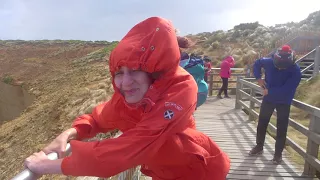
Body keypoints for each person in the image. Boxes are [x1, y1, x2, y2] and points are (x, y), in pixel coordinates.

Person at [24, 17, 230, 180]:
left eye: (134, 71)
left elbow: (132, 147)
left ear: (155, 71)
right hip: (163, 173)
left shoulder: (181, 88)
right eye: (119, 73)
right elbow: (98, 119)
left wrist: (45, 166)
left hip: (201, 172)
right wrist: (69, 133)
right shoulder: (129, 98)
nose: (124, 82)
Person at [249, 45, 301, 165]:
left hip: (284, 100)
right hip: (269, 99)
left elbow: (288, 88)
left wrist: (269, 91)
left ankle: (278, 155)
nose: (281, 69)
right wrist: (258, 78)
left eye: (283, 68)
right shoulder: (270, 61)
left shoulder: (296, 70)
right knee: (262, 122)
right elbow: (257, 63)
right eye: (278, 67)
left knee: (281, 127)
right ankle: (259, 146)